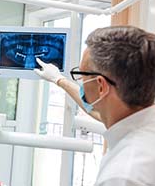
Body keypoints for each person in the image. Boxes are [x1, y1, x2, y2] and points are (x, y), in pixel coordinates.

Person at [34, 26, 155, 186]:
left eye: (81, 75)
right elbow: (97, 111)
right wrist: (59, 80)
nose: (81, 82)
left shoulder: (123, 176)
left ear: (100, 86)